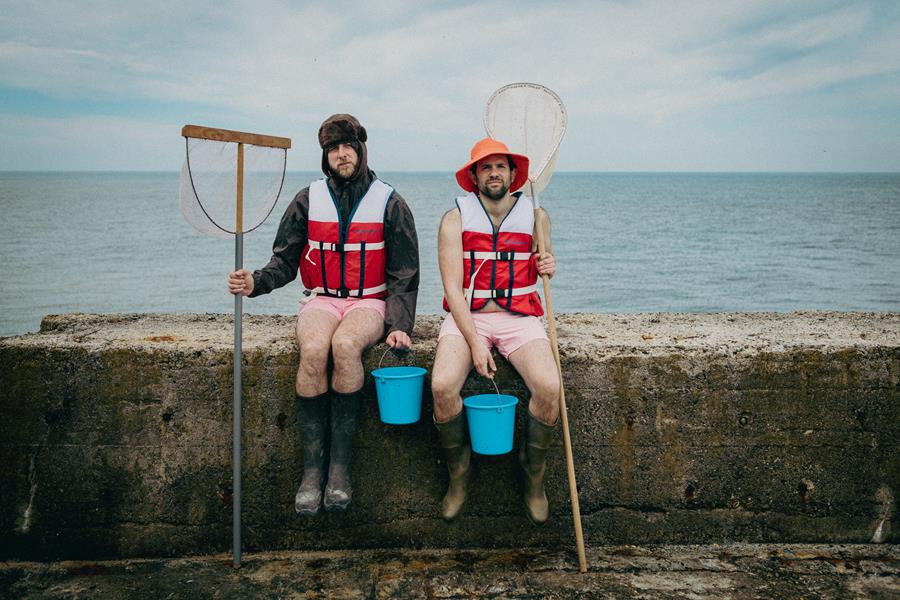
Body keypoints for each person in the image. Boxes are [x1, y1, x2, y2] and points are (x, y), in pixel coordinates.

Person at [228, 114, 419, 515]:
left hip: (369, 301)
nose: (342, 154)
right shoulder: (306, 199)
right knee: (315, 348)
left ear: (361, 150)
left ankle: (339, 469)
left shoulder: (390, 202)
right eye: (334, 148)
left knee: (346, 345)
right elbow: (284, 261)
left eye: (348, 146)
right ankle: (312, 472)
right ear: (325, 155)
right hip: (321, 298)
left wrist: (400, 326)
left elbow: (404, 273)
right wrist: (255, 282)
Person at [431, 138, 559, 524]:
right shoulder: (454, 219)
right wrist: (474, 343)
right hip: (468, 316)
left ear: (513, 173)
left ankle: (533, 477)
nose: (493, 173)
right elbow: (453, 290)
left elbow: (544, 265)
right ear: (473, 176)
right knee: (441, 387)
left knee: (550, 389)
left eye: (500, 166)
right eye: (485, 168)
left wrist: (549, 264)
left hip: (519, 316)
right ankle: (459, 474)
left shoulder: (537, 216)